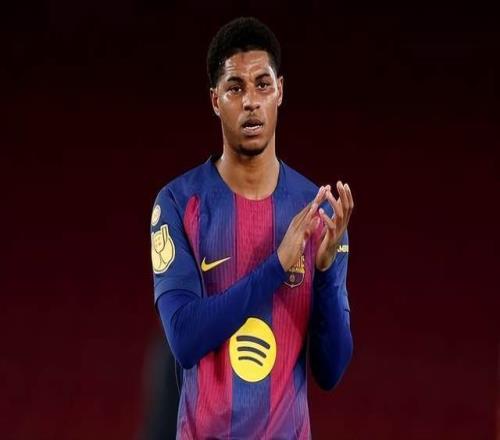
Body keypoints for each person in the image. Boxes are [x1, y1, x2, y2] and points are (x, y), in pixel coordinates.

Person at [149, 16, 354, 439]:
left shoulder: (319, 214)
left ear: (280, 90)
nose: (250, 102)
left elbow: (331, 371)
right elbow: (184, 339)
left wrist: (326, 273)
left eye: (262, 85)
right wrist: (277, 266)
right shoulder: (178, 204)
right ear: (215, 100)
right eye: (235, 88)